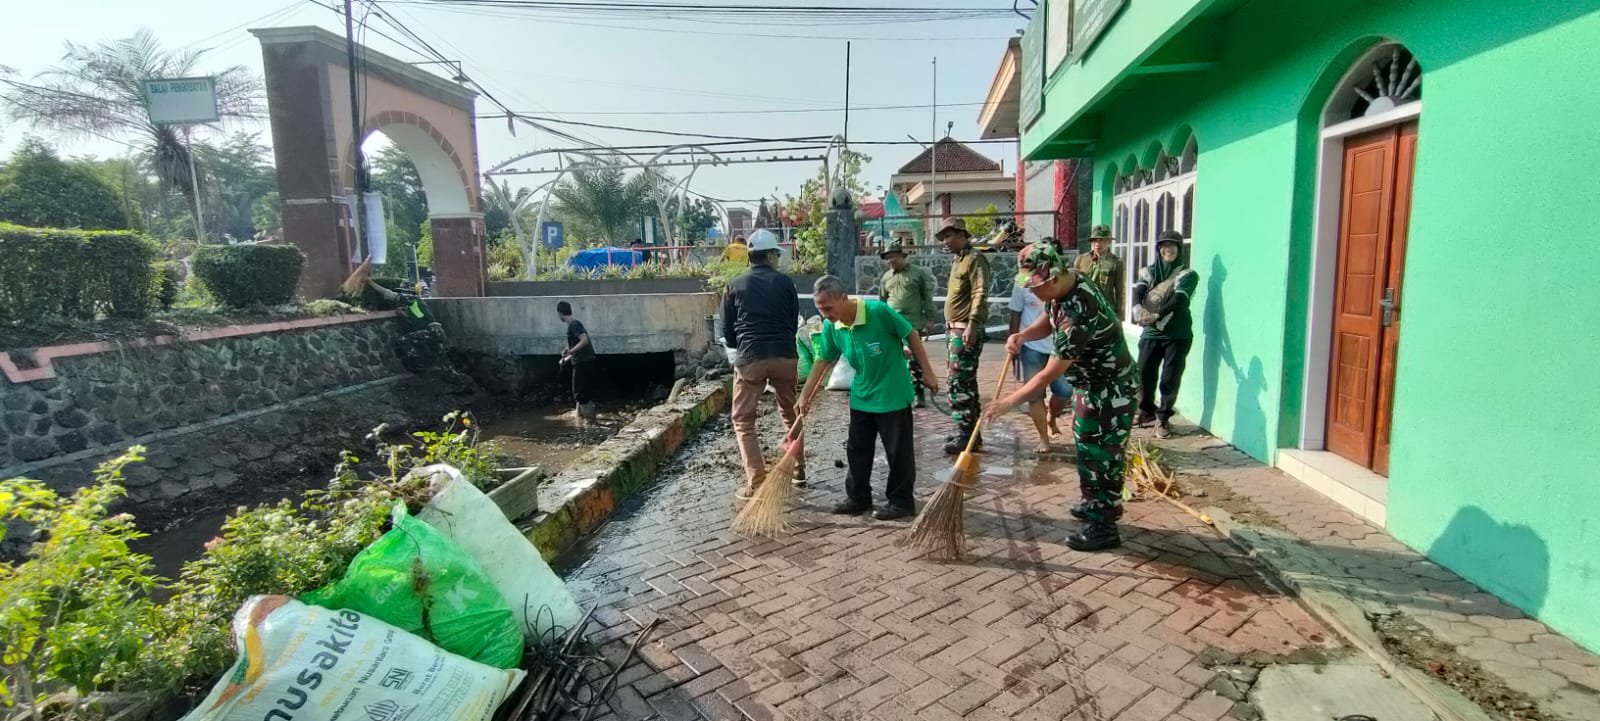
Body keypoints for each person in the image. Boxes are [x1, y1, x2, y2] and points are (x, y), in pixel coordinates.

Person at [987, 242, 1138, 551]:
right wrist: (1023, 335)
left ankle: (1104, 526)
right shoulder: (1067, 285)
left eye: (1037, 288)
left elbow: (1047, 375)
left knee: (1104, 456)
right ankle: (1091, 502)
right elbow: (1048, 319)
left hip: (1113, 390)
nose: (1033, 294)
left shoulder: (1078, 310)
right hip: (1091, 386)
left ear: (1053, 278)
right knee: (1086, 444)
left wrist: (1006, 403)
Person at [800, 275, 939, 520]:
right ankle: (858, 497)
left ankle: (901, 501)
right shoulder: (833, 327)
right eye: (819, 309)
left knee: (898, 452)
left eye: (828, 308)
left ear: (843, 298)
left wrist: (927, 372)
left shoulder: (878, 311)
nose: (824, 315)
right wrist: (805, 395)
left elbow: (911, 335)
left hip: (892, 394)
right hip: (862, 394)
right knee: (857, 450)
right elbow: (823, 359)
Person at [720, 229, 800, 498]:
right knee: (791, 413)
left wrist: (741, 347)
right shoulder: (786, 283)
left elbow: (728, 332)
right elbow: (792, 321)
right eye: (777, 254)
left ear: (751, 256)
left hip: (750, 357)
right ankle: (799, 469)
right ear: (771, 255)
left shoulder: (734, 284)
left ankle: (756, 481)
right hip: (785, 355)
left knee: (743, 421)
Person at [1131, 230, 1199, 439]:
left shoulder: (1187, 274)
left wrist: (1156, 315)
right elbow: (1139, 290)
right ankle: (1146, 411)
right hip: (1151, 334)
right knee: (1143, 374)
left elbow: (1179, 300)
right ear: (1158, 249)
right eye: (1163, 246)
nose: (1167, 249)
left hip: (1176, 335)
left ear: (1179, 249)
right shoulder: (1149, 271)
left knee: (1169, 377)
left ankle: (1163, 419)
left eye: (1172, 246)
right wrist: (1136, 308)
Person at [938, 216, 991, 454]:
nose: (945, 241)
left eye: (948, 236)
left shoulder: (975, 259)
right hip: (954, 329)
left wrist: (972, 324)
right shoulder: (958, 260)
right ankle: (970, 432)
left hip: (965, 329)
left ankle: (965, 432)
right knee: (966, 383)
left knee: (958, 382)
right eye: (943, 237)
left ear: (961, 234)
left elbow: (980, 292)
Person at [1009, 277, 1072, 454]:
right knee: (1035, 395)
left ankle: (1051, 416)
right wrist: (1015, 340)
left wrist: (1006, 403)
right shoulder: (1021, 282)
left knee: (1065, 390)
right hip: (1031, 348)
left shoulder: (1063, 286)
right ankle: (1043, 438)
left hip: (1060, 348)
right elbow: (1015, 313)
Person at [877, 240, 938, 407]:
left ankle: (919, 394)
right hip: (891, 325)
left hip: (912, 323)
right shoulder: (886, 278)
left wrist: (930, 318)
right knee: (892, 358)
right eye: (887, 258)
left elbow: (927, 298)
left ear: (902, 256)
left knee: (914, 359)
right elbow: (882, 301)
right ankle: (896, 392)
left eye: (893, 257)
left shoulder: (917, 274)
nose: (891, 261)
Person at [557, 301, 598, 425]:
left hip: (583, 363)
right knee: (581, 392)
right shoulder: (575, 324)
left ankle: (591, 422)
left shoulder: (574, 325)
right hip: (584, 361)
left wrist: (569, 352)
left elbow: (584, 341)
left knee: (580, 394)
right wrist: (567, 356)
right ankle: (579, 418)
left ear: (559, 313)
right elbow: (579, 345)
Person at [1073, 225, 1125, 319]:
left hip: (1105, 311)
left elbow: (1120, 292)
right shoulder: (1081, 259)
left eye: (1102, 240)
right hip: (1084, 309)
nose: (1097, 244)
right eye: (1095, 240)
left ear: (1109, 241)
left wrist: (1119, 316)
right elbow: (1073, 285)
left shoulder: (1116, 262)